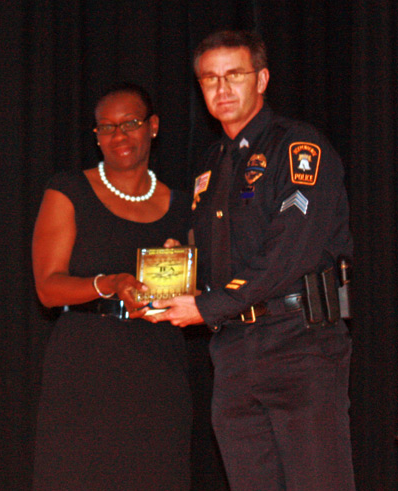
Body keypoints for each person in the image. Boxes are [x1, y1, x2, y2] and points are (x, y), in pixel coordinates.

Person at [147, 30, 356, 490]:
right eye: (209, 79)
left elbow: (289, 253)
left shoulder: (299, 147)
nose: (221, 90)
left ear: (261, 79)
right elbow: (226, 255)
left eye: (234, 75)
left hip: (298, 344)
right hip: (235, 351)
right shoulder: (214, 162)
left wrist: (207, 307)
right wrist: (179, 269)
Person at [32, 83, 193, 490]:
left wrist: (188, 274)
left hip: (159, 368)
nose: (118, 136)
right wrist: (110, 283)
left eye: (130, 124)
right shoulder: (68, 190)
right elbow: (48, 289)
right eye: (106, 128)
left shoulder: (184, 203)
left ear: (153, 127)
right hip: (86, 365)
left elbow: (200, 291)